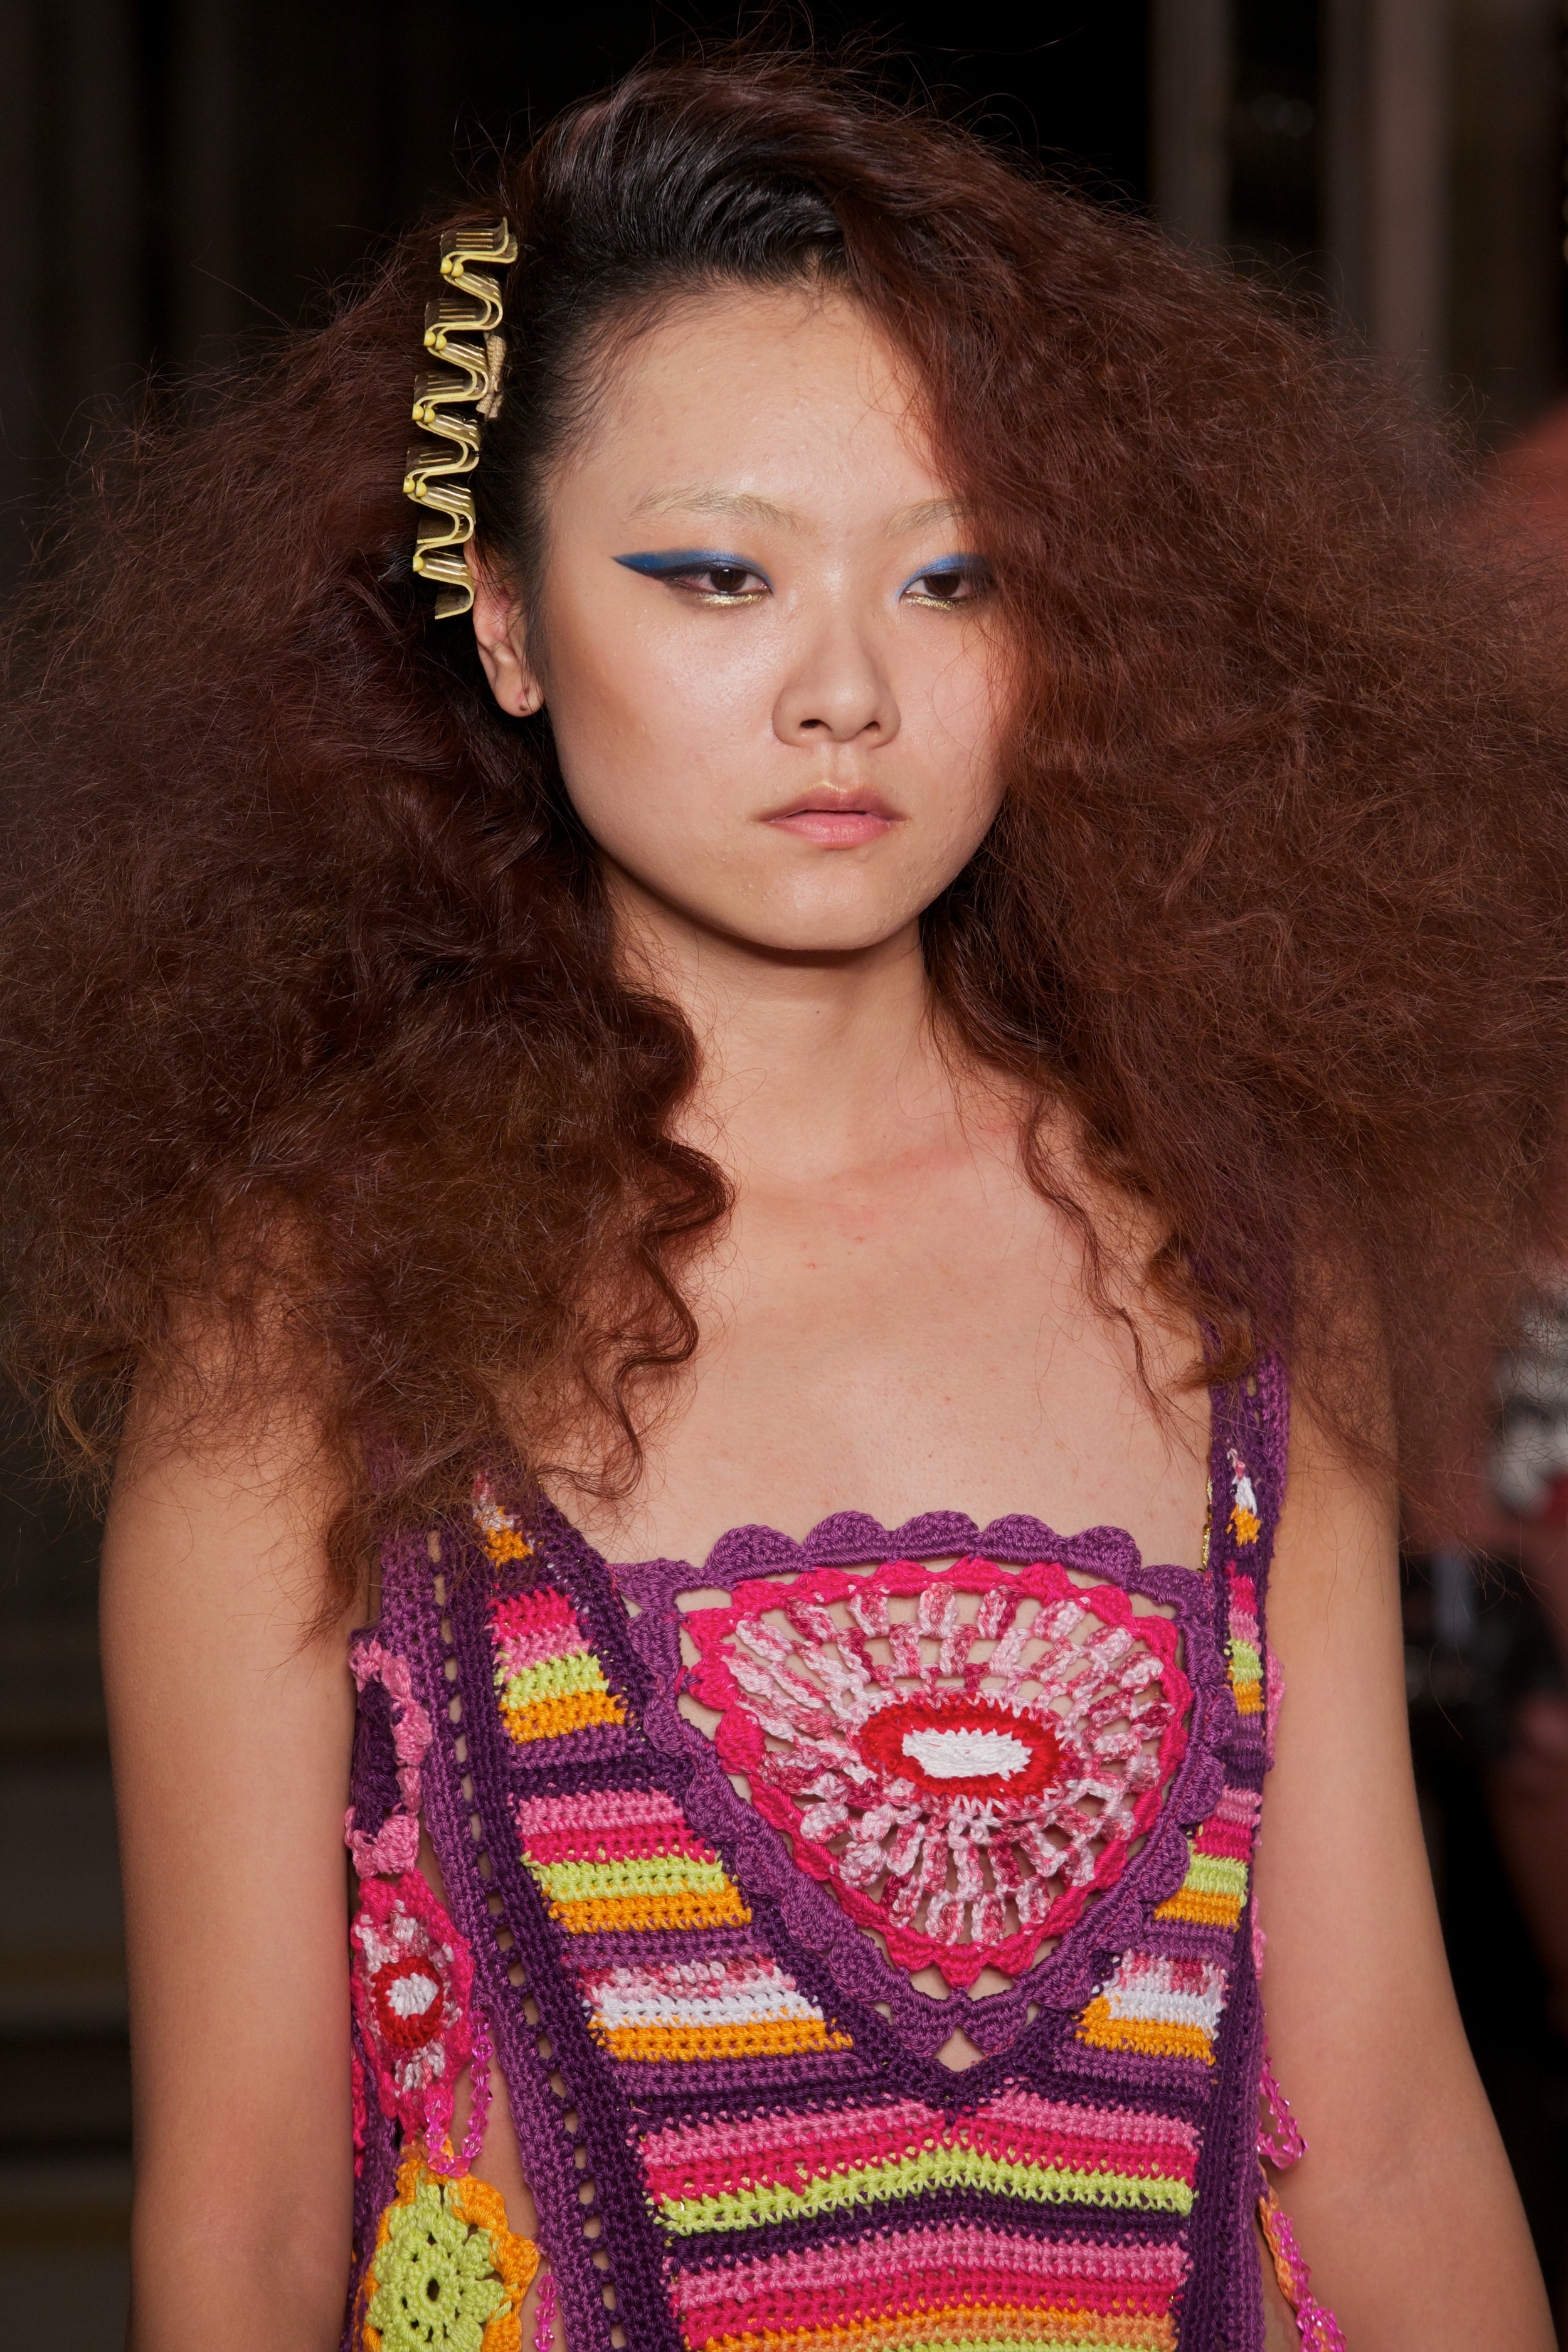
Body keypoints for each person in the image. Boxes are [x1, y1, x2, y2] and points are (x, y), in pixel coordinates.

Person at [2, 48, 1565, 2352]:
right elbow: (238, 2229)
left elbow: (1395, 2133)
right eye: (715, 574)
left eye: (950, 578)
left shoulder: (1233, 1262)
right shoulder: (316, 1316)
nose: (845, 689)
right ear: (505, 620)